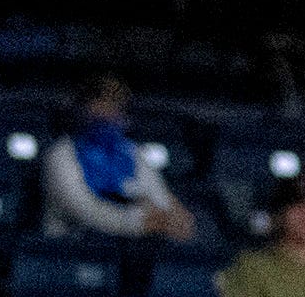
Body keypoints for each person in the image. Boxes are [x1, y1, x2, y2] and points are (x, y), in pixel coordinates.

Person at [38, 74, 195, 242]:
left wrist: (174, 219)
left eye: (115, 104)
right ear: (83, 108)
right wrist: (139, 223)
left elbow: (164, 202)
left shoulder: (133, 152)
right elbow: (83, 209)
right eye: (101, 101)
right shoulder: (60, 154)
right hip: (71, 251)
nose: (108, 111)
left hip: (130, 254)